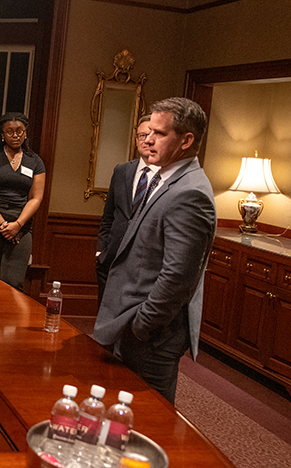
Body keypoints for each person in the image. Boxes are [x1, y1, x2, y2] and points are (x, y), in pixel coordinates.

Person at [93, 97, 217, 404]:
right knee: (121, 412)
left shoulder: (190, 193)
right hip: (130, 320)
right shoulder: (165, 178)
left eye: (159, 133)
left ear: (186, 140)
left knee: (148, 420)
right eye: (148, 132)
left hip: (151, 336)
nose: (148, 139)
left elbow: (178, 277)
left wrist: (141, 327)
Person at [0, 112, 46, 290]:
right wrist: (2, 223)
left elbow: (36, 198)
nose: (15, 135)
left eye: (19, 131)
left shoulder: (35, 161)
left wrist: (18, 225)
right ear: (2, 134)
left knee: (14, 282)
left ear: (25, 133)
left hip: (21, 226)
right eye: (10, 131)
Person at [95, 115, 157, 308]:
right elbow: (108, 216)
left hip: (143, 265)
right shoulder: (121, 171)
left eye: (151, 135)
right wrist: (101, 252)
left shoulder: (167, 178)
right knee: (105, 319)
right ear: (136, 139)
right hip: (111, 260)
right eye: (142, 135)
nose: (146, 140)